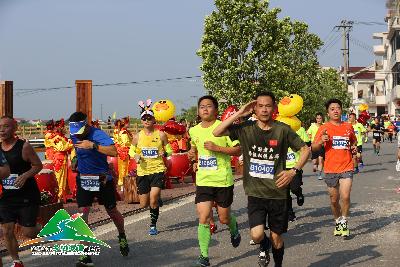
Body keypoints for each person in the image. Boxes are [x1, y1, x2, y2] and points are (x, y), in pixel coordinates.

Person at [213, 91, 310, 267]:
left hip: (278, 193)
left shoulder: (282, 129)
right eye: (260, 106)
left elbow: (305, 150)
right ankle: (263, 246)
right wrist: (240, 113)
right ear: (254, 109)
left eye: (268, 106)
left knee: (276, 237)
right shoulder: (245, 129)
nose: (264, 109)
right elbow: (217, 131)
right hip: (255, 193)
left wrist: (293, 171)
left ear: (274, 108)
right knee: (257, 235)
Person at [69, 112, 129, 267]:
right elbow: (76, 151)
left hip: (102, 179)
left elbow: (114, 152)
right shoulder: (74, 134)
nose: (78, 136)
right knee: (82, 214)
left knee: (112, 212)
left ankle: (122, 235)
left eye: (80, 133)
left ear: (87, 125)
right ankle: (86, 255)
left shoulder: (98, 134)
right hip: (84, 178)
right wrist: (75, 160)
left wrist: (93, 146)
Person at [188, 95, 242, 267]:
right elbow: (194, 149)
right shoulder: (194, 130)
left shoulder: (223, 127)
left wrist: (217, 148)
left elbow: (238, 149)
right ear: (198, 111)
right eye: (202, 106)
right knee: (203, 217)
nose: (205, 109)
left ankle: (233, 227)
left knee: (224, 218)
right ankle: (204, 256)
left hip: (222, 180)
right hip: (204, 180)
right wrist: (193, 157)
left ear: (216, 110)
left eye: (209, 106)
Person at [312, 99, 357, 238]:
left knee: (345, 196)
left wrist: (354, 147)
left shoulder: (348, 126)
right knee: (333, 200)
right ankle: (337, 220)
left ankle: (343, 220)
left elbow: (353, 140)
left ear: (341, 110)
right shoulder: (323, 128)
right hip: (331, 169)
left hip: (347, 166)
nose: (336, 110)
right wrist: (321, 141)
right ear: (328, 112)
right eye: (332, 109)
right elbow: (313, 147)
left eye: (338, 108)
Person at [0, 116, 41, 267]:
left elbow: (38, 165)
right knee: (7, 231)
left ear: (15, 128)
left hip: (26, 196)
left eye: (6, 127)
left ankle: (41, 228)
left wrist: (25, 175)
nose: (2, 130)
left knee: (29, 233)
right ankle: (16, 261)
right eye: (0, 127)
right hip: (7, 197)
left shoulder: (24, 147)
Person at [128, 99, 171, 236]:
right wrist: (135, 156)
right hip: (143, 171)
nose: (147, 120)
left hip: (157, 169)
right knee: (143, 203)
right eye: (144, 118)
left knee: (152, 199)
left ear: (154, 120)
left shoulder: (161, 135)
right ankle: (156, 198)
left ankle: (153, 225)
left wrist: (165, 152)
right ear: (141, 121)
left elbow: (169, 149)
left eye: (149, 118)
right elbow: (131, 151)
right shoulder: (137, 136)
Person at [286, 125, 310, 222]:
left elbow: (307, 143)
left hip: (296, 165)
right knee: (285, 193)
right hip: (281, 166)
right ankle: (290, 213)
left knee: (294, 188)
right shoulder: (276, 128)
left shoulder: (299, 129)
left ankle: (299, 193)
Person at [51, 119, 75, 201]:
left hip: (63, 159)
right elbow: (62, 147)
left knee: (64, 179)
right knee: (59, 179)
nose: (65, 128)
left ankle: (63, 195)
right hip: (59, 159)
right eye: (63, 126)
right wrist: (71, 144)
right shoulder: (56, 137)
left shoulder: (61, 137)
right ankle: (58, 196)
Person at [307, 113, 325, 180]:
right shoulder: (312, 126)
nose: (319, 120)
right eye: (317, 118)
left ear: (322, 119)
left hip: (321, 145)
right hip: (314, 145)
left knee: (321, 159)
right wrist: (309, 144)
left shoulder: (324, 126)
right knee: (315, 161)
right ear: (316, 119)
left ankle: (319, 174)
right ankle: (315, 165)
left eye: (320, 118)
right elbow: (308, 135)